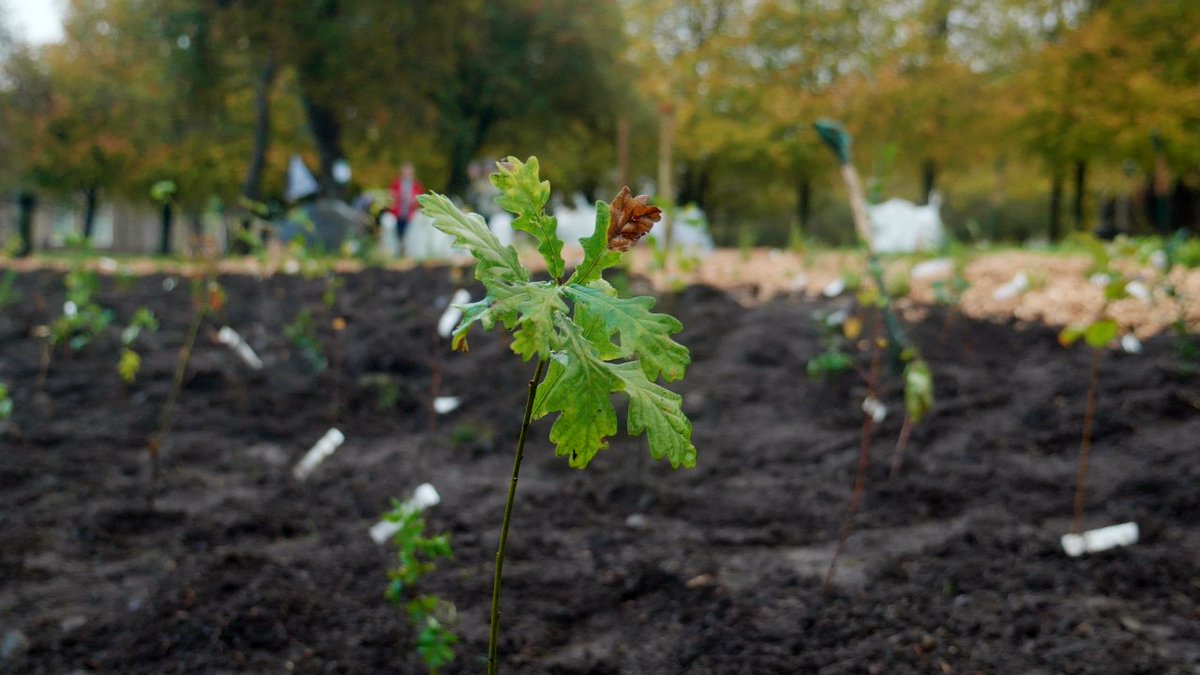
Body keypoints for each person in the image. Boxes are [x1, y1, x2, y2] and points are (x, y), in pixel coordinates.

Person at [389, 163, 425, 238]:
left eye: (408, 172)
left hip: (411, 213)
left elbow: (420, 199)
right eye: (405, 171)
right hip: (398, 212)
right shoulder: (396, 183)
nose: (406, 174)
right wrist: (398, 197)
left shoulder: (417, 185)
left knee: (408, 233)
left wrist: (414, 201)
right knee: (396, 232)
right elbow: (391, 196)